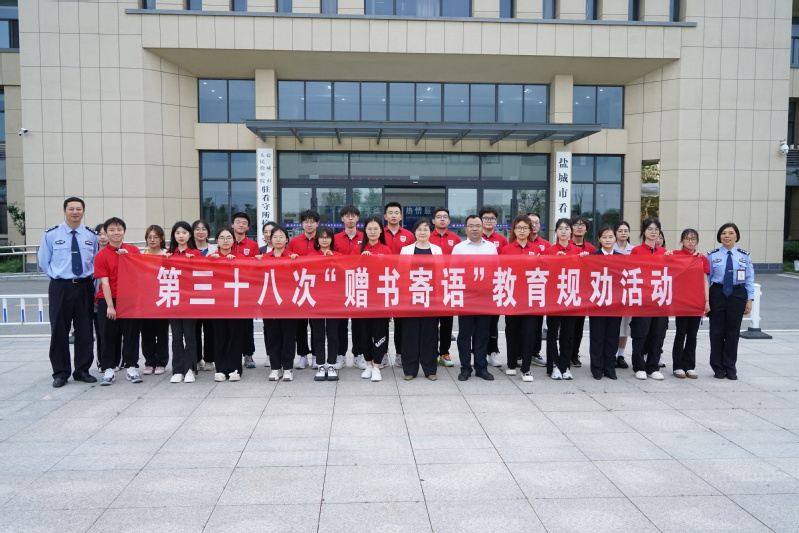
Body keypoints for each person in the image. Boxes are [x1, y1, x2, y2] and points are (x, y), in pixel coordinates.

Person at [38, 197, 98, 387]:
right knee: (59, 330)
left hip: (84, 286)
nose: (75, 212)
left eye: (78, 209)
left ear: (83, 211)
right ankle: (61, 372)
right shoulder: (51, 234)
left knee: (85, 330)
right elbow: (44, 261)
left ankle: (82, 370)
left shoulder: (91, 236)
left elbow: (95, 261)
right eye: (71, 209)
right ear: (64, 211)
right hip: (60, 286)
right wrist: (59, 277)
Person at [94, 217, 143, 386]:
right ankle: (108, 369)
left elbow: (140, 272)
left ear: (124, 232)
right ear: (106, 233)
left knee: (131, 334)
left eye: (119, 229)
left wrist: (128, 258)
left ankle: (131, 367)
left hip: (129, 299)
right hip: (108, 300)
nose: (116, 233)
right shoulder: (101, 255)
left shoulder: (133, 251)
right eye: (112, 230)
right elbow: (104, 282)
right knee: (107, 335)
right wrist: (110, 306)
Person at [452, 214, 498, 381]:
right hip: (466, 297)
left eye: (478, 225)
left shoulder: (491, 248)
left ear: (482, 227)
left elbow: (496, 270)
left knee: (482, 334)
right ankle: (465, 368)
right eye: (471, 226)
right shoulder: (459, 248)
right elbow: (453, 272)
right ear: (465, 229)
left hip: (485, 297)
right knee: (465, 334)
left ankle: (481, 367)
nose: (474, 228)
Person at [707, 222, 754, 380]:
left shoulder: (744, 255)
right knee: (716, 331)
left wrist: (750, 299)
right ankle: (717, 367)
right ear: (719, 236)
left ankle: (730, 366)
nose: (727, 236)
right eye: (723, 233)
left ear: (736, 236)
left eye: (731, 233)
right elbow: (707, 279)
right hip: (717, 293)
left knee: (733, 332)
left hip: (737, 294)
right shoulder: (712, 255)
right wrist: (706, 300)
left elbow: (749, 278)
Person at [543, 218, 588, 380]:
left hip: (571, 297)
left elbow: (585, 275)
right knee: (552, 333)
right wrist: (554, 261)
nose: (563, 231)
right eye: (560, 228)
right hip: (554, 298)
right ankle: (553, 366)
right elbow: (543, 273)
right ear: (556, 231)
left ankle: (565, 366)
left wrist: (585, 261)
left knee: (568, 334)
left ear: (571, 231)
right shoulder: (549, 250)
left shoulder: (578, 251)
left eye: (566, 228)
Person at [629, 217, 672, 380]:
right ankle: (639, 366)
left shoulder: (664, 252)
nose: (653, 232)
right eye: (650, 229)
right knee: (641, 333)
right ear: (644, 231)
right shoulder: (636, 251)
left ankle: (653, 366)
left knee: (658, 333)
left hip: (660, 299)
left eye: (656, 229)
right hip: (643, 299)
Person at [400, 218, 442, 381]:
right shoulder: (406, 250)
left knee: (429, 334)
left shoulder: (437, 250)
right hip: (410, 297)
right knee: (410, 334)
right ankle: (410, 369)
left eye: (425, 229)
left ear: (430, 232)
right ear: (414, 232)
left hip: (431, 298)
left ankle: (430, 369)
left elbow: (441, 273)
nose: (422, 232)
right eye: (419, 229)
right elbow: (402, 273)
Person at [501, 215, 539, 382]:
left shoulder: (537, 249)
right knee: (512, 331)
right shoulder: (507, 249)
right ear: (514, 230)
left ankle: (526, 368)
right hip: (512, 296)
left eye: (525, 228)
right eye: (519, 228)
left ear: (530, 230)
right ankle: (511, 364)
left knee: (529, 332)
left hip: (531, 297)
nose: (522, 231)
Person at [672, 228, 711, 379]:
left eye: (693, 239)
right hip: (681, 301)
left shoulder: (701, 258)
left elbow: (705, 280)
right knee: (680, 333)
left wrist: (706, 301)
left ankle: (690, 366)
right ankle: (678, 366)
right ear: (682, 240)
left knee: (692, 335)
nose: (690, 241)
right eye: (687, 238)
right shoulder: (676, 255)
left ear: (697, 241)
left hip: (696, 301)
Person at [358, 216, 393, 382]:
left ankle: (377, 366)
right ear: (365, 231)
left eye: (376, 228)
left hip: (380, 299)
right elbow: (348, 270)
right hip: (362, 298)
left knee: (380, 332)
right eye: (369, 228)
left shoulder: (386, 250)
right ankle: (368, 364)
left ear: (381, 231)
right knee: (364, 333)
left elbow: (391, 273)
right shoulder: (358, 249)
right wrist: (360, 260)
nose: (372, 231)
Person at [209, 227, 245, 382]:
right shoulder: (211, 258)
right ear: (216, 240)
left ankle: (235, 368)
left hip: (236, 303)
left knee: (235, 336)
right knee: (219, 336)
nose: (225, 241)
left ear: (233, 240)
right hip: (217, 304)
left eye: (229, 237)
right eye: (222, 238)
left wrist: (235, 263)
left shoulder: (240, 258)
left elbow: (249, 275)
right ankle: (221, 369)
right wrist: (212, 263)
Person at [165, 221, 200, 384]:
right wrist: (165, 261)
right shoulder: (169, 254)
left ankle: (189, 369)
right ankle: (177, 369)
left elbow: (202, 275)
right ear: (174, 235)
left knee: (190, 336)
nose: (181, 236)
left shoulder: (195, 253)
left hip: (190, 301)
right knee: (176, 337)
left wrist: (193, 262)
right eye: (178, 233)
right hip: (173, 299)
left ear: (190, 235)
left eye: (184, 232)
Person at [588, 226, 623, 380]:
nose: (608, 240)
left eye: (610, 237)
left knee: (612, 337)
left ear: (615, 238)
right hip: (597, 303)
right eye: (604, 237)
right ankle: (597, 368)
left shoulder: (621, 258)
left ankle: (610, 367)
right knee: (597, 336)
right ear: (599, 239)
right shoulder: (592, 257)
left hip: (615, 303)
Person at [264, 225, 298, 381]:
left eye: (281, 236)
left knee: (289, 336)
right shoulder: (264, 258)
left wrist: (296, 263)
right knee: (272, 336)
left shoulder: (293, 257)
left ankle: (288, 368)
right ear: (270, 239)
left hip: (288, 303)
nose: (278, 239)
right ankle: (275, 367)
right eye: (275, 237)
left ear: (287, 239)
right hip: (270, 303)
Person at [383, 202, 414, 369]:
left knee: (401, 322)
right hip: (383, 282)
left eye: (396, 213)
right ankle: (382, 353)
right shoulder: (379, 233)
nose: (393, 215)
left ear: (401, 216)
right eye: (390, 213)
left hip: (403, 283)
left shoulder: (409, 235)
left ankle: (400, 354)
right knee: (382, 321)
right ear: (385, 216)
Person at [289, 209, 320, 371]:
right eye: (306, 221)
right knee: (299, 325)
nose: (309, 224)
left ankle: (316, 355)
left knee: (316, 325)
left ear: (317, 223)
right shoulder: (294, 242)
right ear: (301, 223)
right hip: (299, 287)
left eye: (312, 221)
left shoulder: (321, 240)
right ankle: (302, 356)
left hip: (317, 287)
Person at [429, 207, 460, 368]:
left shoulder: (455, 239)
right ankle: (432, 353)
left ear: (449, 221)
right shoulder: (427, 237)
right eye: (439, 217)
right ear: (433, 221)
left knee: (447, 321)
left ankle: (445, 353)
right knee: (432, 321)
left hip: (449, 285)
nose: (442, 219)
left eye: (445, 217)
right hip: (430, 285)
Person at [310, 225, 342, 381]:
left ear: (331, 239)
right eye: (321, 237)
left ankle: (332, 364)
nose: (324, 240)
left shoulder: (338, 255)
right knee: (318, 334)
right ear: (317, 239)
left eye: (327, 237)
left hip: (334, 300)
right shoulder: (311, 255)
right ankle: (320, 364)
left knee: (333, 334)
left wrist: (333, 259)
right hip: (316, 300)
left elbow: (346, 271)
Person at [334, 206, 364, 369]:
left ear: (358, 218)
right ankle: (341, 355)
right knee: (341, 323)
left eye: (353, 216)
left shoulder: (365, 237)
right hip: (340, 284)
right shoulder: (335, 238)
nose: (350, 218)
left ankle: (358, 355)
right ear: (342, 219)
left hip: (359, 283)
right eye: (347, 216)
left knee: (359, 322)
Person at [480, 206, 507, 368]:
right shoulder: (474, 238)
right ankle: (479, 353)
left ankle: (493, 353)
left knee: (493, 322)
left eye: (492, 218)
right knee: (478, 323)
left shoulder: (502, 240)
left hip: (495, 286)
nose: (489, 221)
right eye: (486, 218)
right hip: (478, 286)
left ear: (496, 221)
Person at [231, 212, 259, 369]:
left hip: (246, 290)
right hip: (229, 290)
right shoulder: (226, 241)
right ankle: (232, 353)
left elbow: (256, 266)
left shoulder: (252, 245)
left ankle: (248, 354)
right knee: (231, 323)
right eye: (238, 222)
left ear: (248, 227)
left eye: (244, 223)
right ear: (232, 225)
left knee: (247, 324)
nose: (240, 225)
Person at [141, 225, 169, 376]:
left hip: (163, 298)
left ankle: (161, 362)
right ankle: (149, 362)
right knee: (147, 333)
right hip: (146, 300)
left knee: (162, 332)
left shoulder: (167, 255)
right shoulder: (140, 256)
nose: (152, 240)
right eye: (149, 237)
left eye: (155, 237)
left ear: (162, 238)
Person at [569, 215, 596, 369]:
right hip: (567, 289)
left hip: (583, 292)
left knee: (578, 326)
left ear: (586, 229)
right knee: (566, 326)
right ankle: (565, 352)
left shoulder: (591, 248)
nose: (579, 227)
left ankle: (574, 354)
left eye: (583, 225)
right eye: (576, 224)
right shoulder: (566, 245)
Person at [93, 223, 119, 372]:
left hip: (115, 297)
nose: (103, 237)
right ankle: (103, 363)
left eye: (105, 233)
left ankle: (117, 361)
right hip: (99, 299)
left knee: (117, 332)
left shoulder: (120, 252)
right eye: (99, 234)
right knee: (101, 333)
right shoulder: (92, 254)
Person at [525, 212, 550, 368]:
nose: (534, 225)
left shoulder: (545, 244)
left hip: (538, 288)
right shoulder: (519, 242)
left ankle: (535, 353)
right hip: (521, 289)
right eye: (531, 222)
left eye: (537, 222)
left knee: (537, 323)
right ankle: (520, 353)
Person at [192, 219, 216, 372]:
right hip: (192, 295)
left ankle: (209, 359)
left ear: (208, 232)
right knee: (194, 329)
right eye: (197, 229)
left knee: (210, 329)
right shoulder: (187, 250)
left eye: (204, 229)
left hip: (211, 295)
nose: (200, 232)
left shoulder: (215, 250)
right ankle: (196, 358)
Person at [613, 220, 633, 370]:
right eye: (620, 230)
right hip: (612, 291)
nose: (623, 233)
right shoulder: (609, 248)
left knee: (625, 325)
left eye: (626, 230)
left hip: (628, 292)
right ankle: (611, 354)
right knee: (613, 325)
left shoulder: (634, 250)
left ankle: (620, 355)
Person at [258, 220, 277, 367]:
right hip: (266, 294)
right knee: (268, 327)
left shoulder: (286, 251)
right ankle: (270, 354)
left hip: (282, 294)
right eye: (266, 232)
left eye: (272, 232)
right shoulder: (260, 251)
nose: (268, 234)